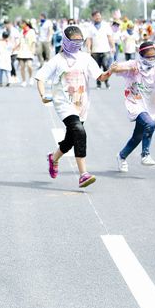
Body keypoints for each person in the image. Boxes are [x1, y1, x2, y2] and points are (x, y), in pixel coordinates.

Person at [35, 25, 112, 188]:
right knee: (79, 131)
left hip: (81, 103)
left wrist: (111, 71)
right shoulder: (57, 60)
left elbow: (101, 77)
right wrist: (43, 95)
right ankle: (83, 174)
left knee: (71, 138)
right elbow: (40, 77)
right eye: (73, 41)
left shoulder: (85, 58)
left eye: (79, 42)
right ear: (65, 41)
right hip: (63, 103)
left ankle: (54, 158)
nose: (77, 45)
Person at [110, 41, 155, 172]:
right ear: (141, 55)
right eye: (149, 56)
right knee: (150, 124)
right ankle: (145, 154)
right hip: (135, 103)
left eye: (154, 56)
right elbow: (114, 68)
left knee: (137, 136)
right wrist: (130, 69)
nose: (152, 59)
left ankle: (121, 156)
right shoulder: (133, 64)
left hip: (150, 106)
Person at [86, 10, 114, 89]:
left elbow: (109, 37)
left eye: (99, 15)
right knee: (96, 69)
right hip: (95, 51)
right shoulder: (90, 27)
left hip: (105, 50)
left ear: (101, 16)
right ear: (93, 17)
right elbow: (89, 39)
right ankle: (98, 84)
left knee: (105, 66)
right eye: (96, 16)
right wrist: (88, 49)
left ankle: (107, 82)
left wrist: (113, 47)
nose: (97, 17)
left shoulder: (106, 25)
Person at [17, 20, 36, 87]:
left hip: (28, 51)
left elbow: (33, 41)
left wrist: (33, 50)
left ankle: (31, 77)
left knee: (29, 65)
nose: (21, 25)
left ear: (25, 24)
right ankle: (24, 80)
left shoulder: (31, 31)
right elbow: (19, 42)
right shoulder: (21, 31)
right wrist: (15, 48)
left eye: (22, 23)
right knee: (22, 67)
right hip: (21, 51)